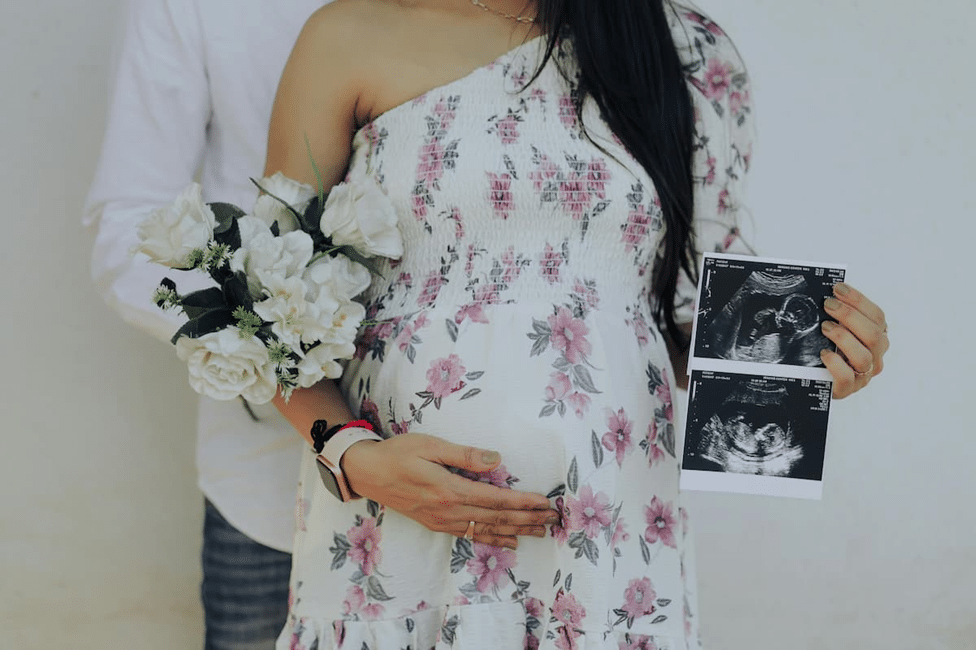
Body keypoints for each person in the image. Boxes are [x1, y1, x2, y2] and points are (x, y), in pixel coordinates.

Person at [263, 0, 889, 648]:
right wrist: (351, 457)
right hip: (396, 520)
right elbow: (264, 300)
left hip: (604, 533)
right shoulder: (350, 34)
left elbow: (691, 317)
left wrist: (807, 359)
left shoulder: (688, 50)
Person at [85, 0, 559, 647]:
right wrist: (262, 326)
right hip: (267, 484)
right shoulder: (196, 9)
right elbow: (128, 232)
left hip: (499, 487)